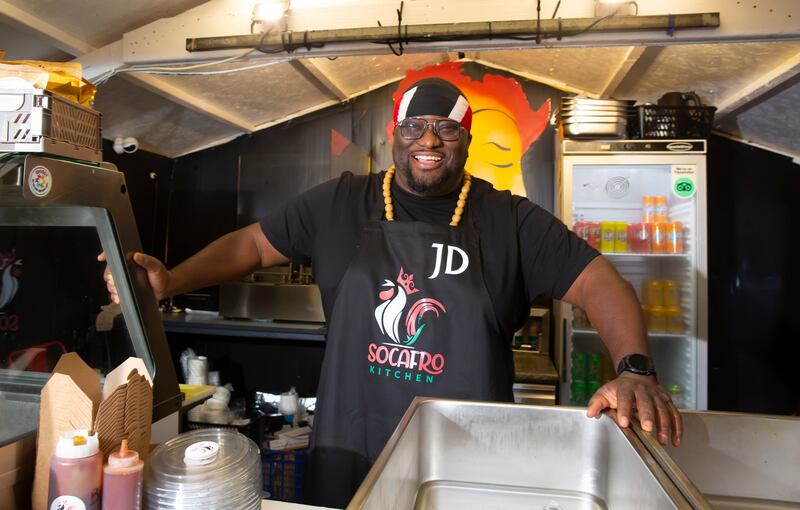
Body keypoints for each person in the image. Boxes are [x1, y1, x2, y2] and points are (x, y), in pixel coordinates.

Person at [101, 78, 682, 508]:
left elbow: (600, 281)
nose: (429, 140)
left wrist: (633, 368)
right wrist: (172, 281)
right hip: (351, 448)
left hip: (466, 459)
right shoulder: (341, 202)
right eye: (415, 128)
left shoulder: (509, 220)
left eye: (446, 128)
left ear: (466, 138)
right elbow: (253, 246)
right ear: (394, 136)